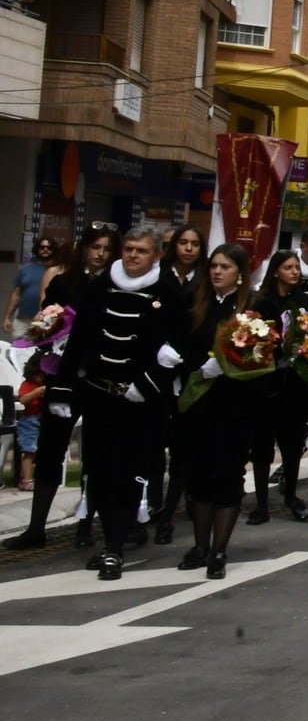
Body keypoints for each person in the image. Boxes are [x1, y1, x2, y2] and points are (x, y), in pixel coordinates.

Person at [52, 227, 182, 578]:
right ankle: (110, 537)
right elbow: (78, 341)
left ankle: (114, 548)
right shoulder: (98, 287)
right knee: (98, 471)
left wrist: (149, 381)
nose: (132, 255)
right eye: (128, 249)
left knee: (128, 473)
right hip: (99, 395)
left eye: (141, 250)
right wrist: (62, 388)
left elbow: (180, 348)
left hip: (139, 400)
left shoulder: (167, 293)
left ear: (156, 256)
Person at [2, 227, 116, 551]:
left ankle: (85, 523)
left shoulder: (117, 286)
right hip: (62, 375)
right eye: (95, 247)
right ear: (84, 249)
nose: (100, 254)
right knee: (51, 448)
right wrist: (48, 333)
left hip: (98, 377)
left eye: (107, 249)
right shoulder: (64, 283)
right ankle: (36, 527)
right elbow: (46, 321)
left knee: (94, 453)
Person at [172, 245, 255, 578]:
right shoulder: (196, 301)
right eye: (214, 266)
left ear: (239, 272)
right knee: (198, 475)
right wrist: (199, 367)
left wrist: (230, 364)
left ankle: (219, 549)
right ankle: (200, 545)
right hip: (199, 400)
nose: (218, 272)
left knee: (227, 475)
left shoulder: (250, 306)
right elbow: (182, 345)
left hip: (234, 403)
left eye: (225, 267)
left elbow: (262, 352)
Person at [248, 251, 308, 523]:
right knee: (262, 444)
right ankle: (261, 503)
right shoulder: (262, 302)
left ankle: (291, 494)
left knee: (292, 442)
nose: (294, 272)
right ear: (276, 270)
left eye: (297, 267)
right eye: (288, 267)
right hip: (267, 382)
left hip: (295, 382)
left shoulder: (304, 301)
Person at [6, 234, 55, 340]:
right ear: (37, 249)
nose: (45, 250)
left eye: (49, 247)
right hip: (22, 321)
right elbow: (16, 295)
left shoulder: (57, 271)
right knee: (17, 351)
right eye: (42, 247)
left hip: (45, 322)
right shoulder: (26, 269)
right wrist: (6, 318)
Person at [162, 225, 206, 301]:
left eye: (195, 244)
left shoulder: (207, 277)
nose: (189, 248)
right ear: (174, 245)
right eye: (183, 243)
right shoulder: (158, 271)